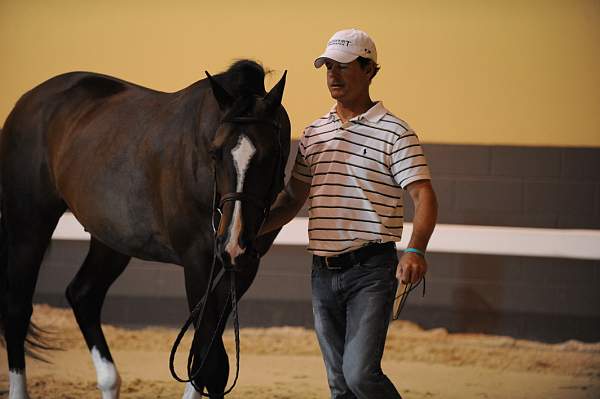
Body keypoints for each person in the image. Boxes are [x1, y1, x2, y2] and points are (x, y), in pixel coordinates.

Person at [260, 28, 438, 399]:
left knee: (359, 375)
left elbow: (423, 196)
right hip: (322, 273)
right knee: (339, 385)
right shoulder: (314, 133)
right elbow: (293, 198)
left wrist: (416, 250)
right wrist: (247, 233)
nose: (333, 75)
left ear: (370, 69)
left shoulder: (396, 133)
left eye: (342, 67)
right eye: (327, 67)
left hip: (371, 272)